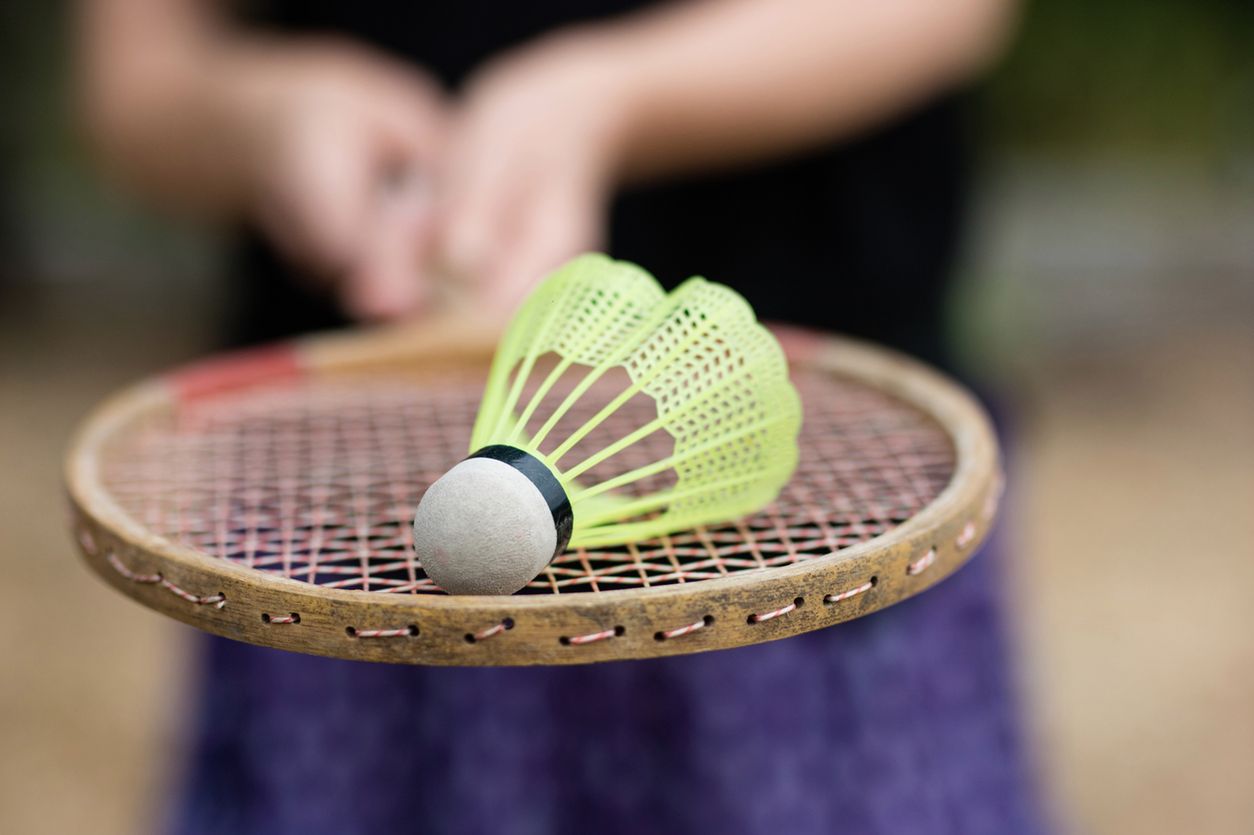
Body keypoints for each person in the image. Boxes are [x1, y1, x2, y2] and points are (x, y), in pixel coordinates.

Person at [79, 2, 1045, 833]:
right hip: (329, 560)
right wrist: (268, 111)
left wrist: (608, 96)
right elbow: (135, 86)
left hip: (802, 536)